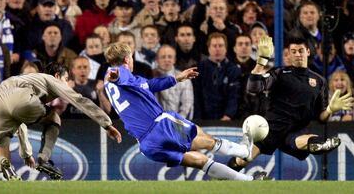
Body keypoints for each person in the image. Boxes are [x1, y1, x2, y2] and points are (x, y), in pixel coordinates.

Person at [103, 42, 266, 181]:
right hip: (161, 127)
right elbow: (118, 75)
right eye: (131, 57)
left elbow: (151, 85)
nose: (132, 61)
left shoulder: (116, 83)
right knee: (206, 141)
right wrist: (116, 76)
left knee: (199, 161)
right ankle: (245, 152)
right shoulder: (118, 73)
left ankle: (248, 181)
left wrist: (177, 78)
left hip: (146, 144)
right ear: (126, 59)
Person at [227, 34, 354, 171]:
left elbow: (321, 118)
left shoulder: (319, 81)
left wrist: (330, 110)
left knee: (309, 140)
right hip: (271, 129)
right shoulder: (279, 73)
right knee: (242, 160)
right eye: (293, 52)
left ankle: (320, 144)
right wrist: (261, 61)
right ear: (289, 54)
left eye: (301, 51)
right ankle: (222, 176)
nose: (298, 54)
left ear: (308, 52)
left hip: (296, 130)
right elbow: (253, 88)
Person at [0, 62, 121, 180]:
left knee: (1, 152)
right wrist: (107, 124)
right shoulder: (51, 79)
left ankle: (3, 165)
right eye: (66, 79)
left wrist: (26, 154)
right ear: (57, 76)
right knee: (54, 118)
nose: (67, 84)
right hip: (19, 99)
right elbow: (79, 100)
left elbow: (19, 120)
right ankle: (43, 159)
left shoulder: (23, 80)